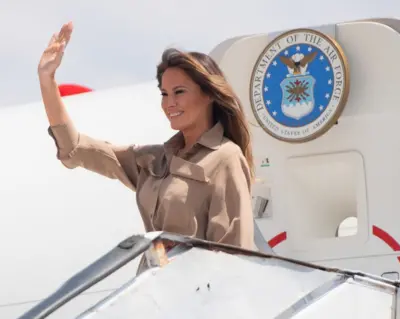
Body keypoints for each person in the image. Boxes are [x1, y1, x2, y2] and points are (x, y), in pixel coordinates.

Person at [37, 22, 256, 269]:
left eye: (179, 92)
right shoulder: (154, 159)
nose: (169, 103)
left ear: (208, 95)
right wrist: (47, 81)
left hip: (195, 297)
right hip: (152, 293)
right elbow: (75, 147)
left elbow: (235, 254)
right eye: (164, 94)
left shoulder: (226, 157)